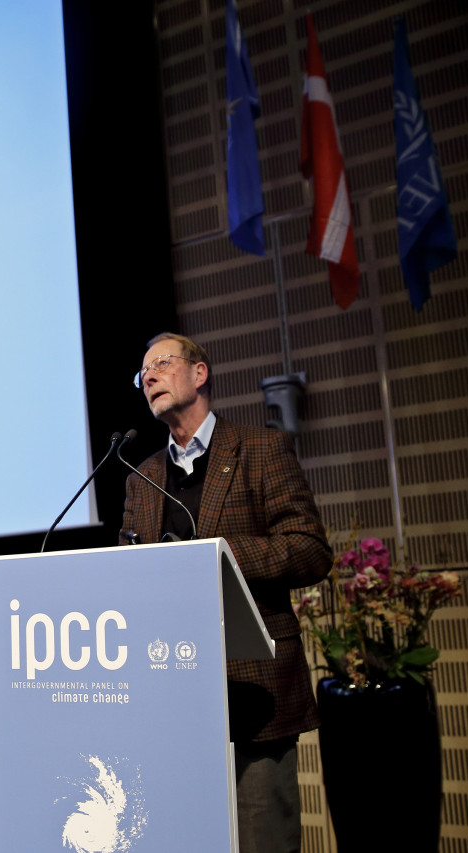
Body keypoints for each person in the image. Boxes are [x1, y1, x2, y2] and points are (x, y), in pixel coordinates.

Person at [120, 332, 331, 853]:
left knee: (264, 841)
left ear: (199, 373)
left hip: (253, 694)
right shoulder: (141, 477)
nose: (149, 377)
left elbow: (309, 549)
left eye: (162, 364)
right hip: (172, 698)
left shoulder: (260, 449)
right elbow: (125, 574)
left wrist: (218, 557)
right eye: (142, 373)